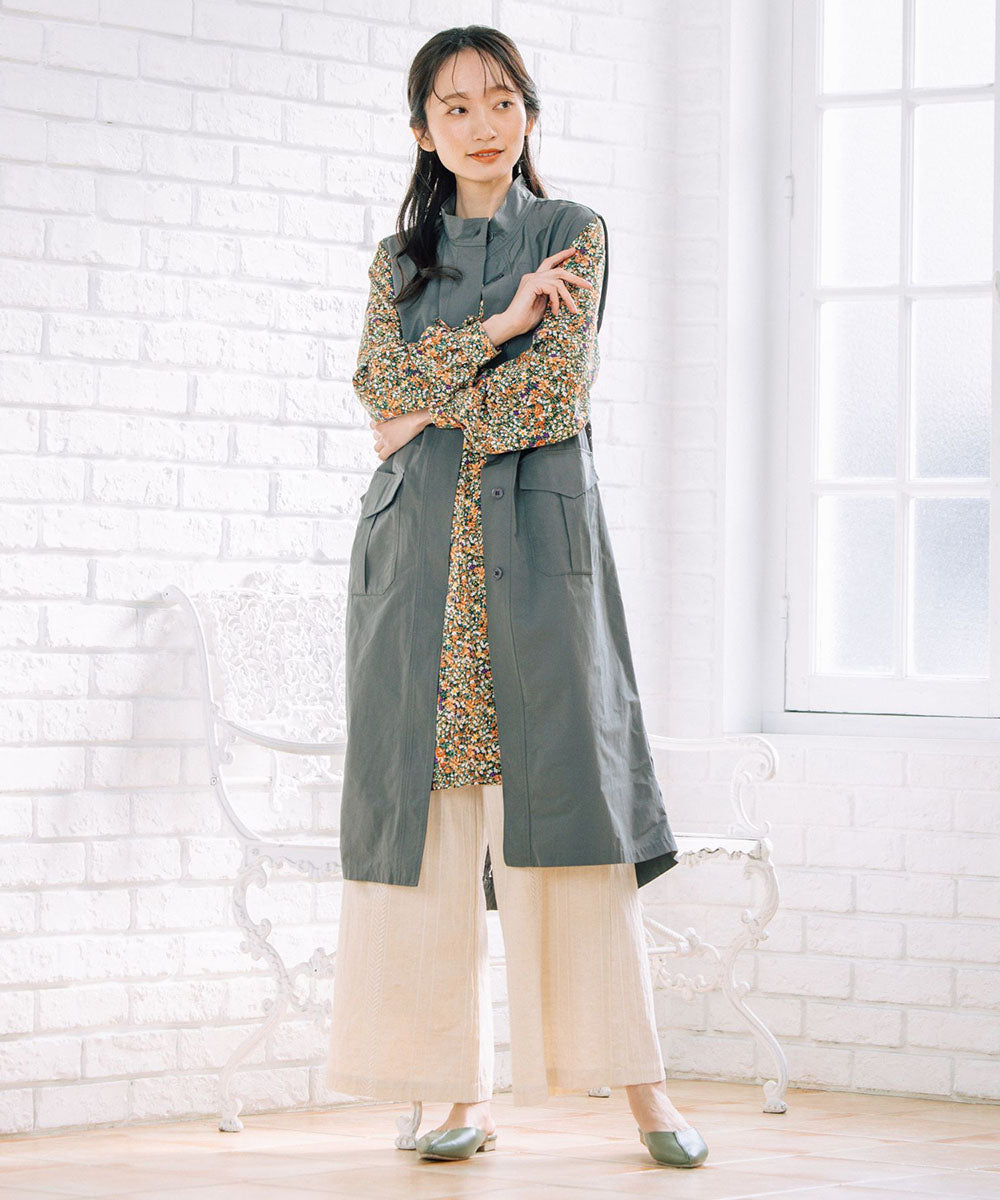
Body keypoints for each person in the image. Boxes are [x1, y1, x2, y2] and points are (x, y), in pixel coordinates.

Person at [326, 25, 708, 1170]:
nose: (482, 125)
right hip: (416, 578)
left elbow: (549, 401)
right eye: (455, 108)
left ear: (529, 114)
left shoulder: (573, 232)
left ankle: (644, 1093)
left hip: (535, 567)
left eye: (500, 101)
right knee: (424, 836)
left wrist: (424, 401)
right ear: (422, 132)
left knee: (570, 832)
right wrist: (494, 329)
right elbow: (374, 395)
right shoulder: (399, 260)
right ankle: (452, 1094)